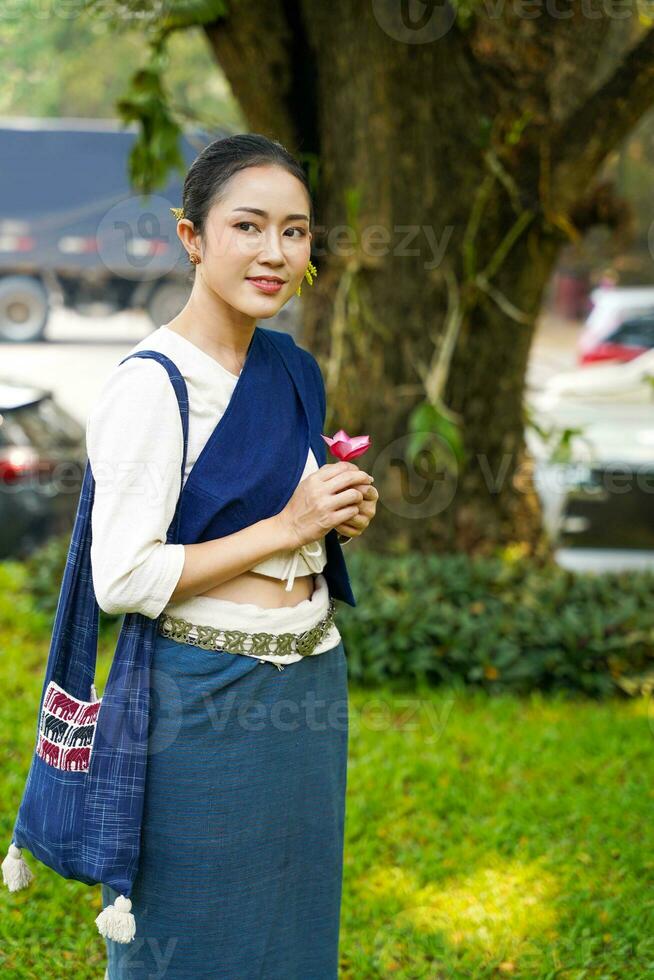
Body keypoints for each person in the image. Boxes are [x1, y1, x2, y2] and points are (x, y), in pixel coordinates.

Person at [90, 133, 378, 979]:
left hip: (309, 687)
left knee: (291, 934)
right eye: (248, 226)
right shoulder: (152, 384)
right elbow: (124, 577)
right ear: (192, 238)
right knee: (187, 937)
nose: (274, 253)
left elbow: (280, 522)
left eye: (294, 232)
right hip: (201, 707)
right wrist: (290, 525)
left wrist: (333, 517)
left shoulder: (292, 367)